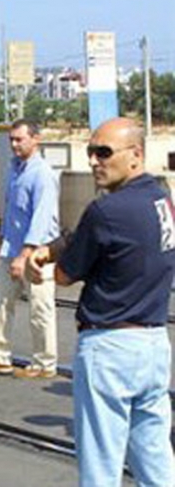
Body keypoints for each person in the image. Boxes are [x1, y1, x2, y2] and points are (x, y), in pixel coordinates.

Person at [29, 118, 174, 487]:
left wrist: (41, 261)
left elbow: (66, 274)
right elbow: (96, 239)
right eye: (90, 151)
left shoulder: (105, 211)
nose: (94, 160)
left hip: (109, 349)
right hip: (154, 343)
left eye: (104, 152)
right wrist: (56, 247)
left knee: (100, 467)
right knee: (156, 461)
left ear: (135, 154)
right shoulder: (161, 198)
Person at [0, 119, 60, 379]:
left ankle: (44, 363)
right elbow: (12, 212)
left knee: (40, 309)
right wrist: (1, 246)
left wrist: (24, 256)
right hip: (10, 249)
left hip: (37, 254)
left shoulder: (42, 174)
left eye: (19, 139)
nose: (14, 144)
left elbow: (41, 219)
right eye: (11, 139)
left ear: (36, 139)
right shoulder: (14, 169)